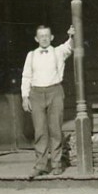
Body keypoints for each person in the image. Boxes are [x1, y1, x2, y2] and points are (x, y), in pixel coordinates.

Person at [21, 24, 74, 177]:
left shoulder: (58, 52)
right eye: (41, 36)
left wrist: (72, 35)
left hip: (55, 91)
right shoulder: (31, 55)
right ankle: (41, 165)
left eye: (47, 36)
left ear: (51, 37)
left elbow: (70, 45)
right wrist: (25, 97)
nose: (44, 38)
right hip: (36, 93)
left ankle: (56, 163)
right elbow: (26, 76)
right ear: (36, 39)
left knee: (56, 129)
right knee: (40, 130)